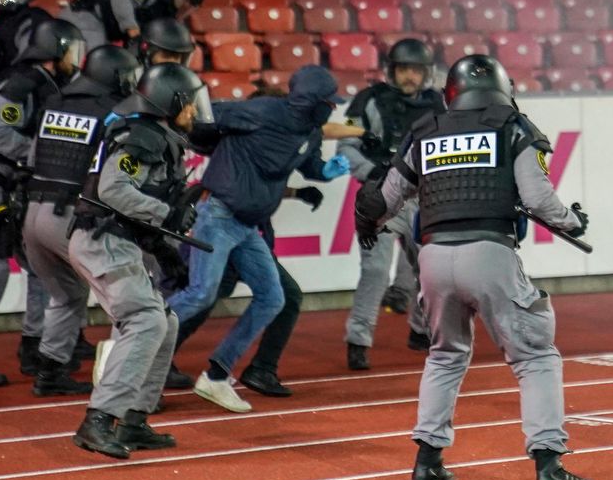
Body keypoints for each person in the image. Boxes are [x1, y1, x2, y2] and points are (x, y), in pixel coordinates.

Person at [354, 54, 594, 480]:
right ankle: (549, 467)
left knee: (444, 356)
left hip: (433, 256)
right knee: (535, 357)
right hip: (488, 252)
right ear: (503, 89)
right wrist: (572, 222)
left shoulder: (425, 129)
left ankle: (427, 464)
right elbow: (539, 200)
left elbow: (384, 199)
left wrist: (367, 224)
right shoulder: (513, 126)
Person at [165, 66, 350, 413]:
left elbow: (310, 165)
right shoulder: (261, 110)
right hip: (218, 216)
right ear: (311, 100)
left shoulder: (310, 131)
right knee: (201, 293)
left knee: (272, 297)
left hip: (248, 226)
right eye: (328, 102)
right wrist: (205, 137)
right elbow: (205, 116)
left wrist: (324, 173)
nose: (332, 108)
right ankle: (131, 336)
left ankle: (217, 375)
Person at [69, 63, 209, 458]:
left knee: (165, 322)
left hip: (118, 241)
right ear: (172, 101)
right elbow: (115, 190)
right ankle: (98, 419)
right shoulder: (142, 136)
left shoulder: (153, 135)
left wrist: (166, 252)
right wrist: (167, 216)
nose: (196, 111)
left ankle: (134, 418)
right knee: (145, 320)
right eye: (191, 102)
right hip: (103, 241)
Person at [0, 19, 82, 388]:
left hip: (17, 191)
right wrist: (42, 156)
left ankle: (34, 346)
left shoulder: (41, 84)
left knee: (41, 266)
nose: (76, 58)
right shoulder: (22, 83)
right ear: (55, 50)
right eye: (72, 50)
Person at [22, 45, 143, 397]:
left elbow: (32, 157)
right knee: (126, 298)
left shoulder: (55, 102)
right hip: (70, 215)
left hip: (33, 213)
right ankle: (120, 382)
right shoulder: (111, 111)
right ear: (116, 76)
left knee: (66, 293)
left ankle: (49, 372)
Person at [338, 38, 445, 370]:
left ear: (426, 73)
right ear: (390, 71)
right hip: (378, 195)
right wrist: (377, 172)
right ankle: (358, 340)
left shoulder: (439, 105)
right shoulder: (368, 100)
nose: (410, 76)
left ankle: (421, 330)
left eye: (416, 70)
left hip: (423, 196)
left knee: (429, 269)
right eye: (403, 70)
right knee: (375, 270)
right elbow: (346, 146)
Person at [60, 0, 204, 51]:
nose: (187, 10)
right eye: (188, 4)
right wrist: (132, 28)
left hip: (99, 24)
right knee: (94, 64)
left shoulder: (164, 8)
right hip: (85, 17)